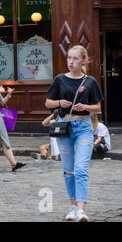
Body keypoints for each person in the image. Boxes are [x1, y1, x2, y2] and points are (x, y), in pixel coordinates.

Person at [45, 45, 104, 222]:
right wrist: (59, 102)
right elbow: (48, 103)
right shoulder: (60, 79)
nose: (71, 62)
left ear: (84, 61)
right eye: (69, 58)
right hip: (64, 127)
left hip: (84, 127)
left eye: (75, 58)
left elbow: (98, 107)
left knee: (80, 169)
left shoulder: (90, 82)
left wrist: (86, 107)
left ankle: (81, 210)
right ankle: (72, 206)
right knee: (68, 170)